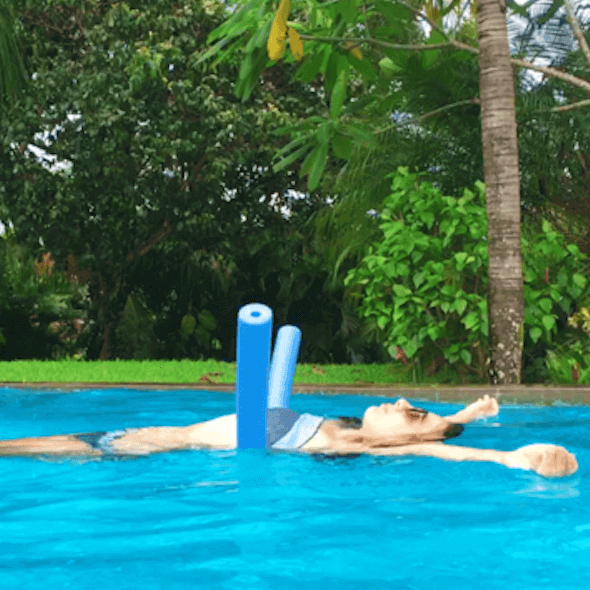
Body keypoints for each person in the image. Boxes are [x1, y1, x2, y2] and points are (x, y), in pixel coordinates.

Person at [0, 394, 578, 477]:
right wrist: (470, 410)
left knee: (68, 446)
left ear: (404, 442)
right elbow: (445, 429)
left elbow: (455, 449)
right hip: (165, 435)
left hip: (162, 446)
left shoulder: (346, 445)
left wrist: (519, 458)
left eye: (412, 413)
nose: (401, 403)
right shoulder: (343, 424)